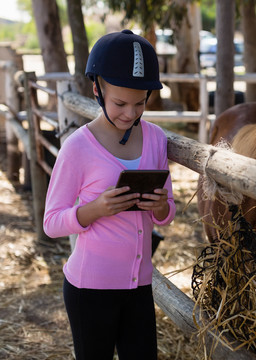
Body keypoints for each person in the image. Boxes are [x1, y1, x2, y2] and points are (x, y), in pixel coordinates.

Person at [43, 30, 176, 359]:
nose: (130, 114)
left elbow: (168, 213)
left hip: (139, 287)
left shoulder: (156, 139)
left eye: (140, 103)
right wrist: (94, 210)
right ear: (97, 89)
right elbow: (51, 222)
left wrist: (160, 207)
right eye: (119, 103)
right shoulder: (77, 148)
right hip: (89, 290)